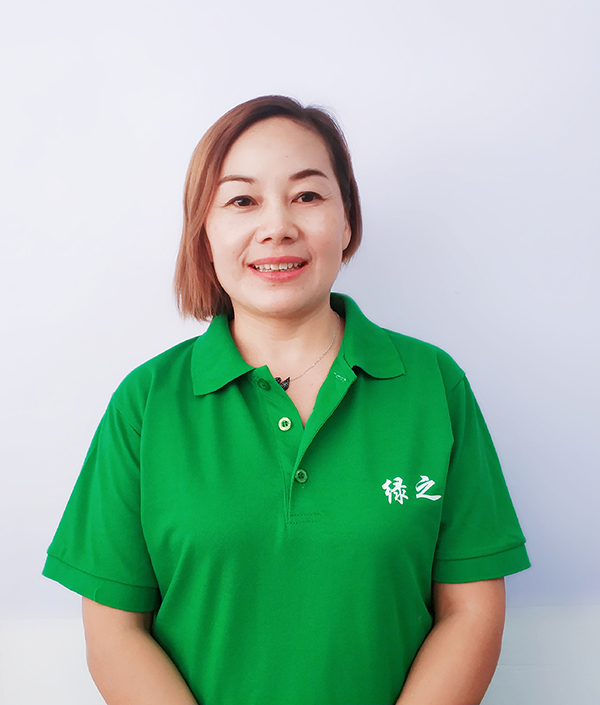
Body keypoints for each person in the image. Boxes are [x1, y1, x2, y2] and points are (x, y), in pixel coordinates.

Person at [43, 95, 530, 705]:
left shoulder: (434, 385)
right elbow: (115, 632)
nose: (277, 226)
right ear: (204, 232)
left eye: (307, 195)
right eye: (241, 201)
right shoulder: (146, 404)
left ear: (347, 221)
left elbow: (472, 613)